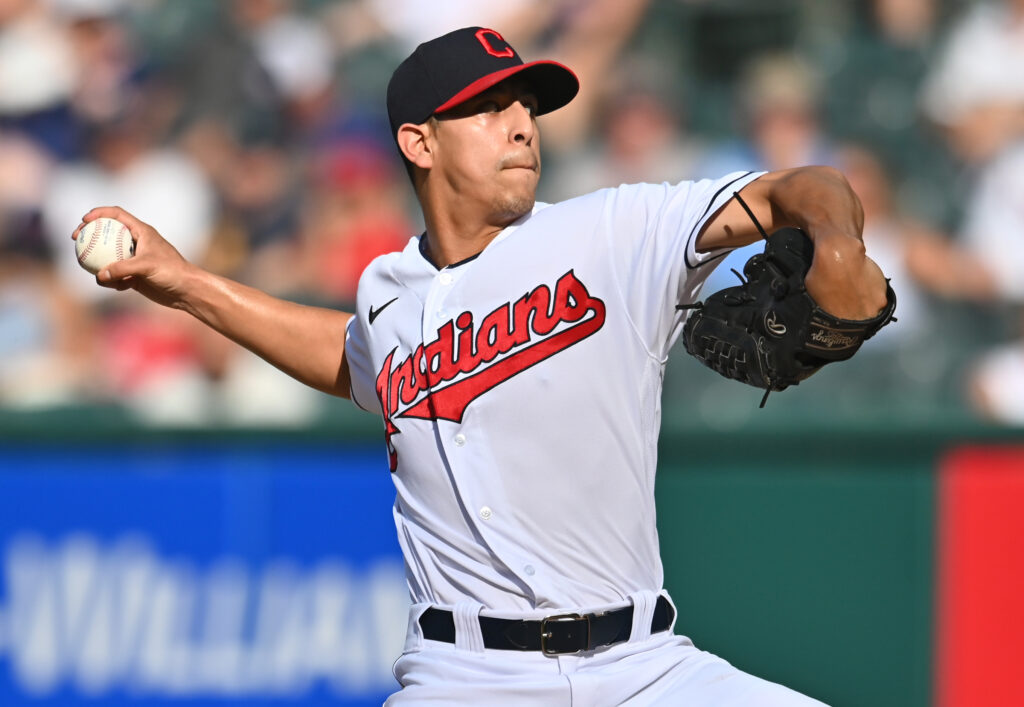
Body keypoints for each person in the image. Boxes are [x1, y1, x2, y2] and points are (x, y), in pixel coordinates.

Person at [74, 26, 889, 706]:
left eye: (527, 107)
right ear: (419, 142)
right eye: (490, 108)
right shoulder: (386, 294)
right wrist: (181, 283)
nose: (522, 124)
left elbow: (804, 185)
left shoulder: (614, 231)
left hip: (642, 667)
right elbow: (351, 357)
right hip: (461, 676)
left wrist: (839, 241)